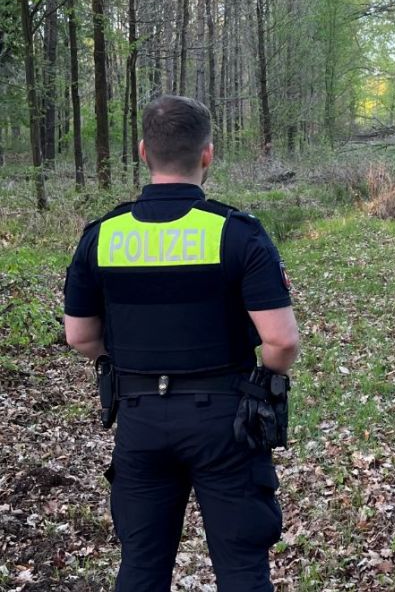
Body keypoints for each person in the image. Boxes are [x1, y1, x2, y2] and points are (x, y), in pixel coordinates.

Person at [63, 95, 299, 592]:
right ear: (207, 154)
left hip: (139, 417)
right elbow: (280, 341)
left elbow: (80, 335)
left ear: (144, 151)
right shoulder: (236, 233)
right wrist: (265, 383)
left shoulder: (102, 236)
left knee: (142, 566)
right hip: (225, 421)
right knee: (241, 568)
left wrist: (123, 362)